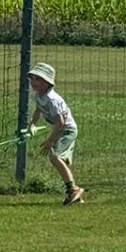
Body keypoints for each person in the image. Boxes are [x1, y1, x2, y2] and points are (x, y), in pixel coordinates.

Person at [27, 62, 84, 205]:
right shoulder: (38, 96)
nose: (33, 82)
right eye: (32, 78)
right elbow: (38, 110)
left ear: (48, 82)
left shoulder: (53, 100)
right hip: (60, 129)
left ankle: (73, 190)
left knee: (55, 156)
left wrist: (50, 141)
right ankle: (75, 196)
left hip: (67, 130)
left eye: (38, 79)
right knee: (61, 161)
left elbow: (61, 123)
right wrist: (32, 124)